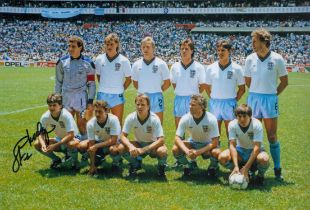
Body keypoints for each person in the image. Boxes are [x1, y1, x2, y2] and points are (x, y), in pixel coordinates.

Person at [244, 28, 288, 180]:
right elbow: (248, 81)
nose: (253, 44)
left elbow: (284, 82)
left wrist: (273, 94)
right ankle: (253, 168)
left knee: (271, 135)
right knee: (253, 135)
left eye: (255, 41)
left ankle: (277, 168)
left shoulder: (277, 58)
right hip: (254, 98)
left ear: (264, 41)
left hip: (270, 99)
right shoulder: (249, 59)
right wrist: (258, 91)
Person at [55, 36, 96, 140]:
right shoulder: (61, 62)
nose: (70, 49)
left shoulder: (88, 63)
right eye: (69, 46)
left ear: (80, 47)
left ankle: (85, 152)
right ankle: (69, 154)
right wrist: (57, 99)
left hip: (81, 97)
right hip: (66, 96)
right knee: (66, 127)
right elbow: (58, 82)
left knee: (82, 126)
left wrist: (90, 100)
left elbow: (91, 83)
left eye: (73, 46)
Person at [218, 104, 270, 185]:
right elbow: (232, 145)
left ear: (250, 116)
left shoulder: (257, 124)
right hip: (240, 151)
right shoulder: (232, 124)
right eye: (239, 116)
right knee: (222, 157)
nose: (242, 119)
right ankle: (236, 171)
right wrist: (235, 165)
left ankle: (260, 175)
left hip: (254, 151)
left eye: (244, 116)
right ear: (236, 116)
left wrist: (247, 167)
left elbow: (257, 147)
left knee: (264, 159)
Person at [205, 39, 245, 141]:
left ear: (229, 51)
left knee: (231, 135)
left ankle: (232, 156)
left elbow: (242, 89)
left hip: (229, 104)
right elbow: (206, 86)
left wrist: (234, 100)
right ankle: (215, 156)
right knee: (214, 135)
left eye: (223, 50)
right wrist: (214, 97)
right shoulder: (210, 68)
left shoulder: (237, 68)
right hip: (215, 103)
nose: (220, 53)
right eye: (218, 50)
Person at [172, 94, 220, 177]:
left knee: (216, 152)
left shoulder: (211, 119)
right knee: (175, 149)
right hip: (193, 143)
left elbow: (215, 142)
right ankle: (188, 166)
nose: (190, 107)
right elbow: (177, 138)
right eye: (190, 104)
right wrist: (187, 151)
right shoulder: (185, 118)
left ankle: (213, 167)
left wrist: (198, 152)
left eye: (193, 105)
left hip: (207, 145)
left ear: (202, 107)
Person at [120, 94, 168, 176]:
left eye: (143, 105)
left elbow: (161, 140)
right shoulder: (131, 117)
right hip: (138, 143)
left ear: (148, 106)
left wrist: (144, 149)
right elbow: (122, 136)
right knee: (121, 148)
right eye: (138, 104)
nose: (139, 107)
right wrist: (131, 147)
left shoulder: (154, 118)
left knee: (162, 151)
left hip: (153, 145)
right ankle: (135, 164)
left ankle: (161, 167)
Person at [34, 93, 80, 169]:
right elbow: (40, 134)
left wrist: (55, 145)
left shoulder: (66, 115)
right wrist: (43, 145)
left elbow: (71, 135)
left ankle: (75, 162)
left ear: (61, 106)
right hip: (60, 139)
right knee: (37, 144)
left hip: (74, 139)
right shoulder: (45, 117)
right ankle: (56, 160)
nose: (52, 107)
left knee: (71, 144)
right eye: (50, 105)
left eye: (54, 105)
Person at [77, 100, 122, 176]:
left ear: (107, 110)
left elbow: (113, 140)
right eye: (96, 111)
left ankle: (116, 163)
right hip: (100, 142)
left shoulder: (113, 120)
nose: (97, 114)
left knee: (113, 149)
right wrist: (92, 166)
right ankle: (97, 160)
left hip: (113, 144)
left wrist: (96, 146)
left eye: (100, 112)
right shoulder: (91, 123)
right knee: (81, 146)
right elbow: (91, 144)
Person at [131, 36, 170, 124]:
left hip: (156, 97)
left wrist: (156, 90)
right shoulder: (136, 64)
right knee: (141, 124)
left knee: (158, 124)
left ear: (153, 48)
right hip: (141, 97)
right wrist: (143, 92)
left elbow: (167, 83)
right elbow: (135, 83)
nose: (145, 49)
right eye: (143, 47)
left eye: (148, 47)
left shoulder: (161, 64)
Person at [95, 33, 131, 125]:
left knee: (117, 123)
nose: (109, 46)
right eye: (107, 44)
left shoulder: (124, 60)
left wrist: (120, 89)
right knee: (100, 121)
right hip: (102, 94)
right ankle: (101, 139)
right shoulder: (99, 59)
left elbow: (128, 79)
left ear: (117, 44)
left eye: (111, 44)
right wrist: (105, 86)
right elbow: (98, 75)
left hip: (117, 95)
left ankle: (117, 139)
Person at [170, 38, 206, 129]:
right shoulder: (175, 67)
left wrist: (195, 96)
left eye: (186, 49)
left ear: (192, 51)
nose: (184, 51)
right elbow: (174, 84)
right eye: (182, 48)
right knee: (179, 129)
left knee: (194, 129)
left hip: (193, 101)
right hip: (179, 99)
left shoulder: (199, 67)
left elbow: (202, 86)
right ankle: (180, 143)